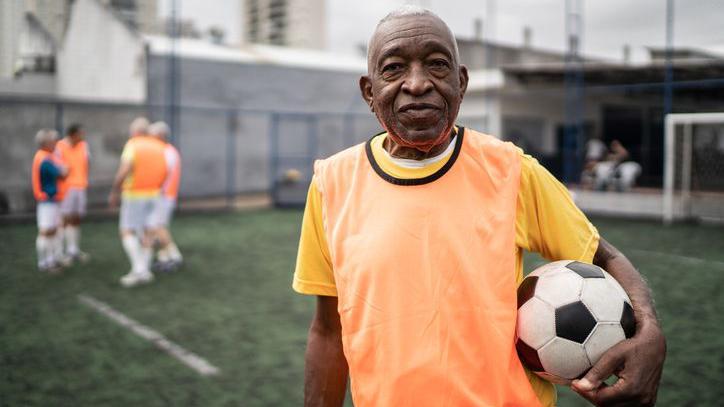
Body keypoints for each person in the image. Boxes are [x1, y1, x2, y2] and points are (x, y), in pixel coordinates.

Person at [293, 7, 665, 407]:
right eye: (394, 68)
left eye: (437, 65)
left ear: (461, 82)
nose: (417, 84)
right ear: (369, 91)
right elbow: (329, 332)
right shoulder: (331, 184)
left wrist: (649, 330)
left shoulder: (512, 171)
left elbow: (603, 256)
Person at [108, 117, 167, 287]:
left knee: (126, 231)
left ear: (135, 131)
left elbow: (125, 169)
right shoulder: (159, 146)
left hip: (134, 195)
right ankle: (145, 271)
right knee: (148, 232)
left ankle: (139, 269)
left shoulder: (133, 145)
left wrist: (115, 190)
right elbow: (166, 171)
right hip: (155, 194)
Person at [147, 121, 183, 271]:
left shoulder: (166, 151)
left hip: (163, 195)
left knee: (158, 226)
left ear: (160, 135)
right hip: (164, 195)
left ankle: (175, 257)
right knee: (158, 226)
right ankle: (164, 258)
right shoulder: (167, 150)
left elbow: (162, 174)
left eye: (152, 135)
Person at [32, 129, 68, 273]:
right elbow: (62, 174)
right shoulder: (44, 159)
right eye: (53, 141)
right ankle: (44, 263)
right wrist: (64, 168)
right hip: (47, 199)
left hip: (51, 200)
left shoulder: (46, 156)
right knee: (46, 231)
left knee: (52, 230)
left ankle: (51, 260)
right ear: (45, 143)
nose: (55, 144)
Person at [55, 123, 91, 263]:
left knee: (76, 218)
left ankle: (73, 250)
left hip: (80, 187)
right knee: (64, 219)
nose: (82, 137)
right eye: (80, 134)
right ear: (72, 135)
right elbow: (57, 168)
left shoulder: (84, 146)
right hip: (66, 189)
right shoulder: (60, 146)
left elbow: (86, 163)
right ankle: (60, 253)